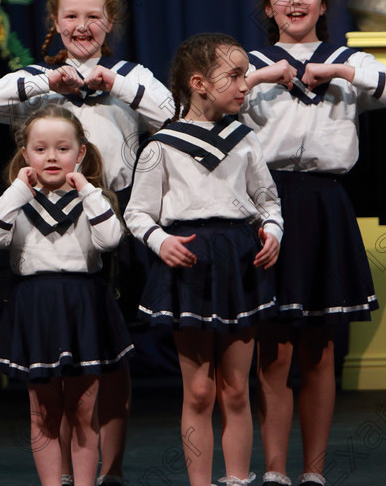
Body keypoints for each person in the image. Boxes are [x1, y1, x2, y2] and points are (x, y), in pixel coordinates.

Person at [0, 0, 173, 486]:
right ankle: (58, 476)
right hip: (36, 226)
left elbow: (170, 114)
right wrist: (46, 81)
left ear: (111, 22)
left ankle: (112, 469)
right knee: (49, 368)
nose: (82, 26)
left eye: (94, 16)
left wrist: (114, 84)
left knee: (109, 356)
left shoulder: (131, 76)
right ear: (55, 22)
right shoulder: (36, 80)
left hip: (105, 222)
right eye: (72, 16)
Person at [242, 0, 386, 486]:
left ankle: (313, 471)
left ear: (323, 2)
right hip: (266, 204)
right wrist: (261, 77)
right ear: (269, 7)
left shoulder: (350, 61)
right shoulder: (250, 61)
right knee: (273, 347)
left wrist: (340, 71)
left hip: (324, 205)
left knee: (319, 347)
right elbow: (204, 101)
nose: (295, 1)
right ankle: (274, 469)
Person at [124, 32, 283, 486]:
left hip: (238, 261)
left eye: (245, 75)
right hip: (189, 262)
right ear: (199, 83)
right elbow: (137, 212)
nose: (245, 85)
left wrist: (271, 230)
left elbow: (267, 200)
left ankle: (236, 478)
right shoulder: (161, 145)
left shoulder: (244, 140)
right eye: (233, 76)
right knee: (198, 390)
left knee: (235, 389)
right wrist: (159, 240)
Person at [0, 105, 132, 486]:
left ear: (80, 153)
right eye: (40, 149)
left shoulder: (93, 201)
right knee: (43, 410)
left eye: (63, 149)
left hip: (83, 305)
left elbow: (111, 240)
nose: (51, 157)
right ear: (25, 154)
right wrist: (18, 188)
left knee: (83, 409)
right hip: (36, 305)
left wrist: (88, 189)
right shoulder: (18, 202)